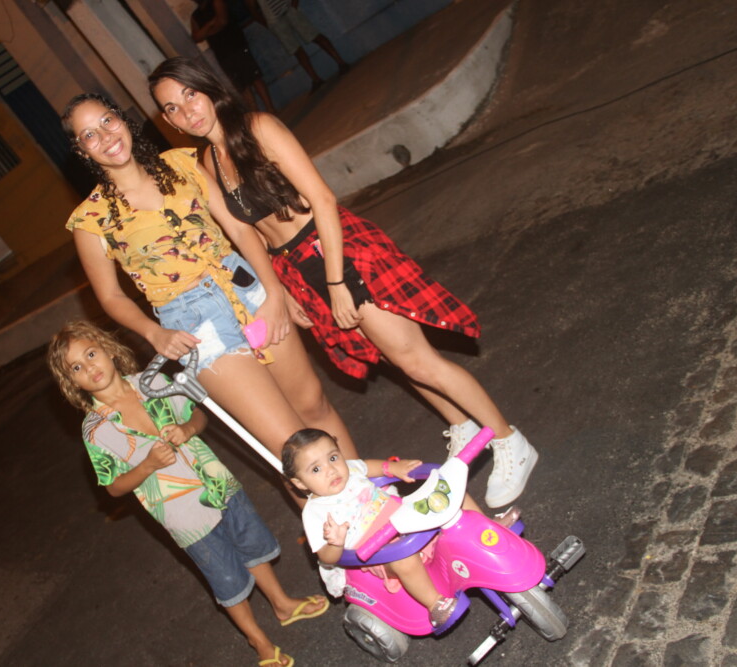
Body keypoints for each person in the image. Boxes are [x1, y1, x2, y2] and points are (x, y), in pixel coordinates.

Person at [148, 58, 538, 509]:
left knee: (417, 360)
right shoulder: (208, 161)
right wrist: (282, 289)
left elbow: (322, 198)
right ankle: (463, 425)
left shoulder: (258, 127)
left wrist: (336, 280)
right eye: (172, 108)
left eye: (190, 95)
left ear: (209, 89)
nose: (186, 112)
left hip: (334, 249)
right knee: (392, 356)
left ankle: (509, 441)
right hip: (294, 267)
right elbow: (250, 232)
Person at [60, 93, 359, 496]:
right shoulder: (90, 220)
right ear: (82, 150)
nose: (106, 137)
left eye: (107, 121)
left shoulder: (181, 164)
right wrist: (153, 333)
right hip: (195, 327)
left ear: (122, 119)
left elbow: (239, 230)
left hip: (247, 290)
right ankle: (341, 532)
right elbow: (111, 297)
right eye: (90, 135)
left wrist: (274, 292)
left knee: (314, 406)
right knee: (289, 449)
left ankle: (370, 500)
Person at [47, 321, 330, 667]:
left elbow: (199, 416)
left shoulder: (152, 382)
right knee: (226, 578)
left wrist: (186, 428)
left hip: (218, 483)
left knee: (251, 545)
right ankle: (259, 642)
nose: (90, 367)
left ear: (108, 350)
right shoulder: (96, 431)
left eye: (91, 354)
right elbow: (113, 487)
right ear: (72, 382)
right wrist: (148, 465)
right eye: (76, 368)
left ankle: (282, 604)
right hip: (183, 515)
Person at [282, 428, 520, 628]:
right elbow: (326, 558)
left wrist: (391, 468)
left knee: (448, 495)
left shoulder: (349, 469)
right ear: (299, 483)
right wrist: (336, 542)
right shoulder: (314, 513)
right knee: (403, 559)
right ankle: (435, 603)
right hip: (378, 551)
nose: (331, 470)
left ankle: (489, 528)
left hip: (405, 516)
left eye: (333, 458)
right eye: (316, 469)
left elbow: (366, 466)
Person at [245, 0, 349, 91]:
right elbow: (252, 10)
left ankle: (341, 62)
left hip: (289, 8)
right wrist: (269, 24)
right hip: (275, 20)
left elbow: (253, 11)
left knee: (314, 36)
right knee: (295, 49)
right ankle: (316, 79)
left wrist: (294, 4)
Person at [191, 0, 275, 112]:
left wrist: (205, 32)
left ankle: (270, 108)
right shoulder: (195, 16)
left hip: (236, 44)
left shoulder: (216, 2)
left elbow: (222, 21)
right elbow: (196, 37)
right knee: (241, 86)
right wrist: (210, 24)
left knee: (254, 77)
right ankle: (255, 113)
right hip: (222, 53)